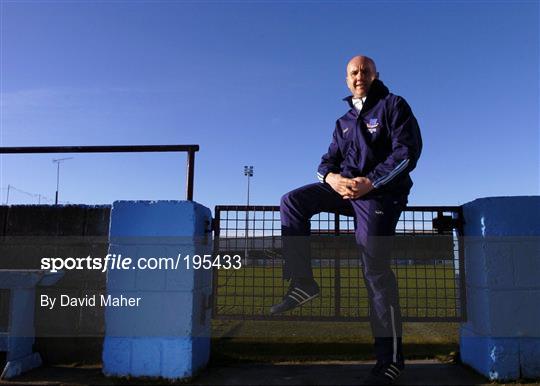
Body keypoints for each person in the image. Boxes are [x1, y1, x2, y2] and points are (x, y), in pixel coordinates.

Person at [270, 55, 422, 385]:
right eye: (353, 72)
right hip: (347, 192)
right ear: (346, 79)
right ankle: (303, 282)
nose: (359, 76)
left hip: (380, 196)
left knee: (375, 272)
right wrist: (331, 179)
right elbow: (326, 161)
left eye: (365, 71)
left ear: (376, 74)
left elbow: (407, 153)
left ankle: (391, 361)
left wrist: (372, 181)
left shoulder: (393, 105)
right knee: (293, 202)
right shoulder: (343, 121)